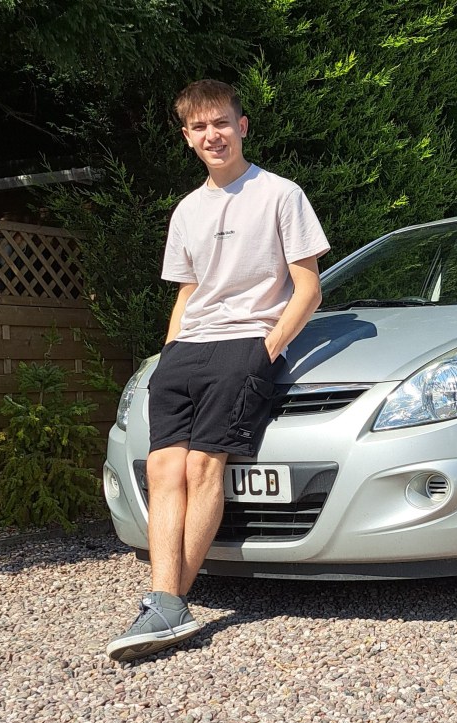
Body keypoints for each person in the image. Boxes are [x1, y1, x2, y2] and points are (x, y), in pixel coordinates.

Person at [106, 79, 330, 661]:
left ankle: (165, 601)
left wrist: (267, 348)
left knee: (205, 465)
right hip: (186, 352)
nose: (214, 135)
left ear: (243, 126)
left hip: (244, 345)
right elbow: (187, 291)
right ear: (187, 138)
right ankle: (167, 603)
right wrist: (167, 348)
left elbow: (309, 287)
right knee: (164, 470)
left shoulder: (281, 194)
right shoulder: (186, 210)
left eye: (222, 123)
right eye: (200, 128)